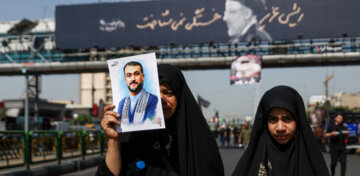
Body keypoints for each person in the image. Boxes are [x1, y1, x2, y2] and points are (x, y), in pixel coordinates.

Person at [96, 63, 224, 176]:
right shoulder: (132, 135)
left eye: (168, 93)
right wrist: (114, 140)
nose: (161, 100)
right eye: (156, 93)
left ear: (179, 97)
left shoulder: (196, 139)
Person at [232, 85, 329, 176]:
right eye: (273, 120)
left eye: (287, 119)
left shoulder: (312, 162)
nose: (280, 128)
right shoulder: (250, 163)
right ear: (265, 123)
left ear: (298, 121)